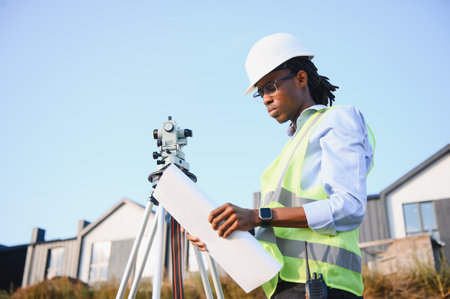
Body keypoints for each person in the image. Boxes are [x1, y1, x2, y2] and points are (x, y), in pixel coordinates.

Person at [186, 33, 374, 299]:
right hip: (283, 289)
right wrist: (221, 234)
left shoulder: (337, 120)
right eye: (260, 92)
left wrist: (257, 216)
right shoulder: (283, 158)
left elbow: (349, 208)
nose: (265, 98)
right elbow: (276, 233)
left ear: (301, 78)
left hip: (323, 287)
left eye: (271, 86)